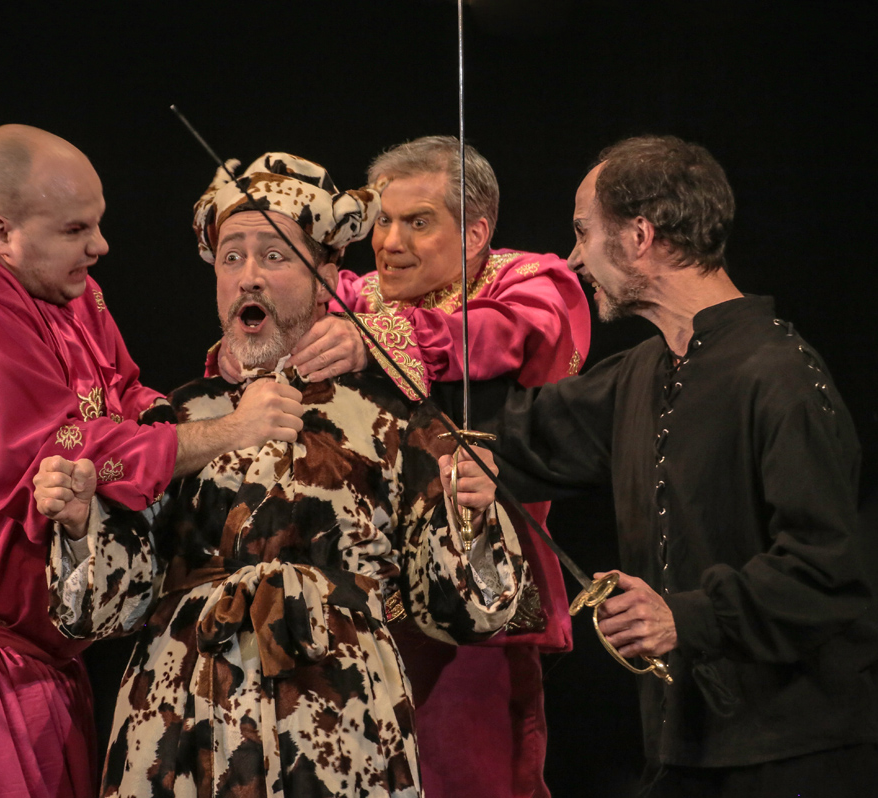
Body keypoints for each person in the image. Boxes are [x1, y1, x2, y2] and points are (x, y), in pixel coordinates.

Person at [33, 152, 527, 798]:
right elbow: (101, 610)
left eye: (274, 256)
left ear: (327, 279)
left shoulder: (391, 416)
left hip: (342, 735)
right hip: (183, 731)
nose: (249, 277)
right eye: (232, 257)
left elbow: (465, 612)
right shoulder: (170, 421)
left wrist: (473, 513)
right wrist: (80, 526)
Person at [0, 126, 303, 798]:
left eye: (98, 222)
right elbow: (59, 453)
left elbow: (125, 395)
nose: (100, 245)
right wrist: (231, 430)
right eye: (76, 229)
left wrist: (205, 401)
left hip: (35, 663)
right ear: (1, 232)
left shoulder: (65, 285)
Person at [479, 135, 878, 797]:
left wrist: (681, 616)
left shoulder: (781, 374)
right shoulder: (644, 371)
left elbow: (825, 572)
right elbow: (515, 438)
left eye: (583, 231)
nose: (574, 258)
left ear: (640, 236)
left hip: (795, 756)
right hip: (685, 751)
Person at [213, 135, 590, 798]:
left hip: (475, 610)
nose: (390, 241)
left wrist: (383, 339)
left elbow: (506, 335)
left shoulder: (532, 282)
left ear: (475, 232)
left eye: (418, 222)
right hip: (356, 620)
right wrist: (249, 334)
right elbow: (286, 305)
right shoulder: (356, 295)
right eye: (382, 220)